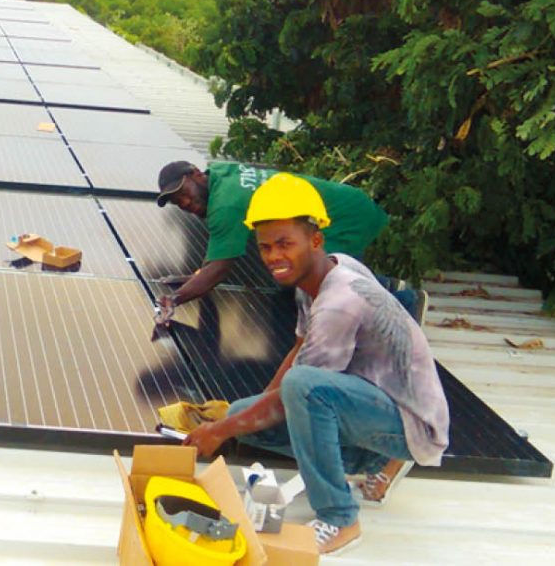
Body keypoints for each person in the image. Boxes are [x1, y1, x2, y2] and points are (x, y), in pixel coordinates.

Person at [183, 173, 450, 555]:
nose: (274, 256)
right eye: (265, 247)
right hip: (369, 402)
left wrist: (218, 430)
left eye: (285, 244)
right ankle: (372, 459)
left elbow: (301, 385)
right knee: (248, 411)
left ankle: (341, 517)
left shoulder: (339, 301)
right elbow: (298, 349)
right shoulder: (326, 273)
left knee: (300, 389)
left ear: (316, 240)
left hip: (409, 420)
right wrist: (239, 417)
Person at [155, 160, 426, 323]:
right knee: (292, 285)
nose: (185, 203)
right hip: (340, 204)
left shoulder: (226, 204)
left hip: (341, 217)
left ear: (196, 175)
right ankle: (383, 284)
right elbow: (216, 257)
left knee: (322, 282)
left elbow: (220, 267)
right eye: (178, 202)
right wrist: (194, 279)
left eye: (184, 194)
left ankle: (404, 302)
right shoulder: (219, 174)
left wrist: (177, 298)